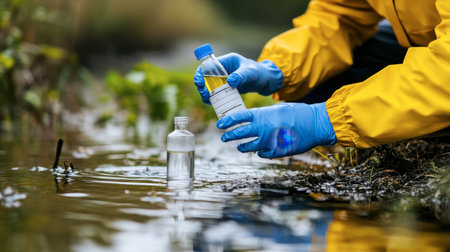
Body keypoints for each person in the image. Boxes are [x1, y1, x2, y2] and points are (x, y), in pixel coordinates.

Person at [194, 0, 450, 158]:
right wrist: (276, 69)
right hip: (428, 49)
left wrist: (327, 119)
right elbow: (339, 14)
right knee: (320, 84)